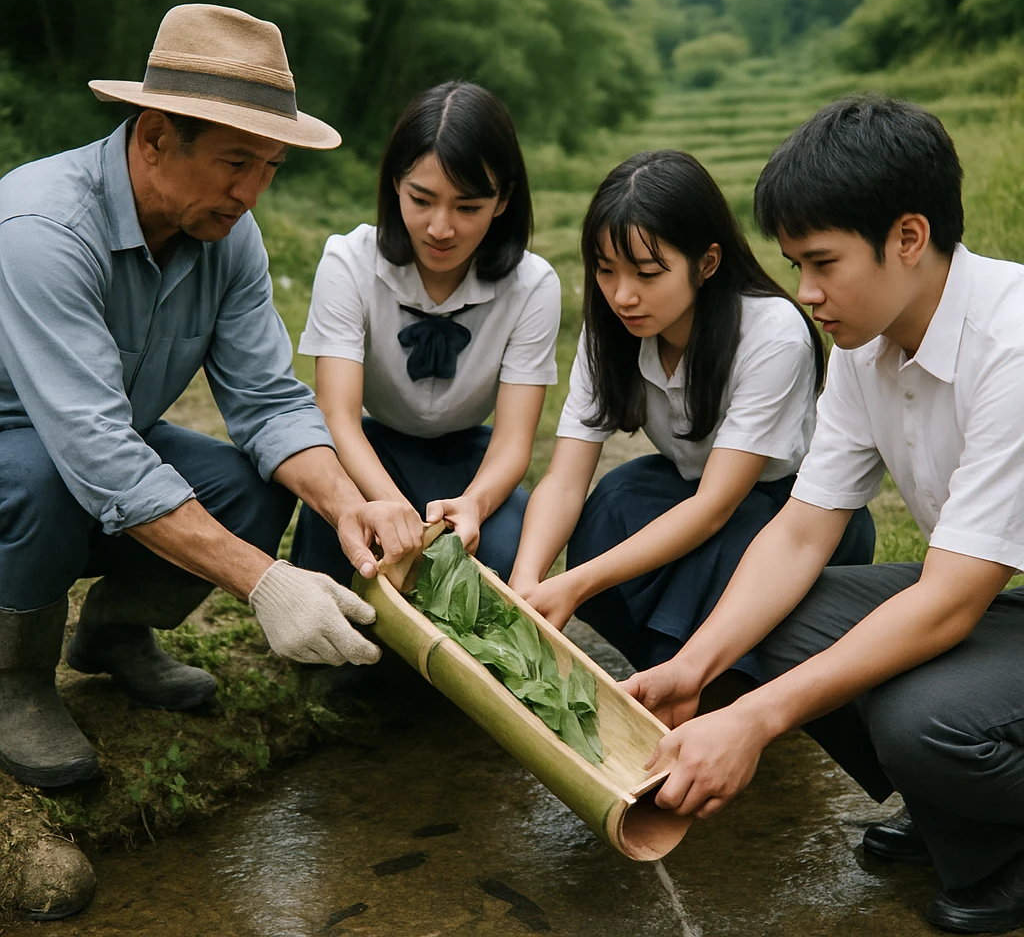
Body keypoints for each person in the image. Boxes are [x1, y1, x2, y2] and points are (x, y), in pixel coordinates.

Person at [625, 97, 1024, 934]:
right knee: (774, 622)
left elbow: (952, 599)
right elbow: (803, 530)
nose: (804, 292)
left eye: (822, 263)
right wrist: (695, 671)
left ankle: (996, 835)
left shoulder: (1013, 346)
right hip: (1001, 601)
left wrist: (754, 719)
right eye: (793, 264)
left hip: (983, 595)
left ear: (908, 238)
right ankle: (958, 805)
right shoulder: (866, 338)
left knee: (929, 721)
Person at [0, 3, 422, 794]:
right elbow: (93, 450)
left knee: (250, 482)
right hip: (22, 464)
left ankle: (116, 637)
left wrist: (347, 504)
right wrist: (263, 582)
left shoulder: (224, 234)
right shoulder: (42, 227)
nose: (252, 193)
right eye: (236, 162)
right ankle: (15, 680)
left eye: (270, 167)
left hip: (101, 456)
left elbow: (266, 400)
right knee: (44, 476)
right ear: (155, 136)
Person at [508, 150, 874, 683]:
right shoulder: (611, 329)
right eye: (606, 271)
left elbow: (714, 508)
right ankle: (663, 668)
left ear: (707, 263)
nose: (622, 295)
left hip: (788, 513)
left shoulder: (771, 336)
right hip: (693, 493)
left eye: (647, 273)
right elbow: (564, 478)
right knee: (614, 502)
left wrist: (577, 583)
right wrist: (526, 581)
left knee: (733, 538)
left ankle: (702, 676)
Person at [290, 81, 560, 584]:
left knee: (495, 565)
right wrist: (392, 510)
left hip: (471, 468)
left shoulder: (533, 285)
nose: (441, 227)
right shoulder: (348, 262)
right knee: (346, 586)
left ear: (502, 202)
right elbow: (338, 416)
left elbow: (513, 441)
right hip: (370, 456)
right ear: (396, 184)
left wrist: (475, 505)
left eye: (468, 207)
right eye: (423, 199)